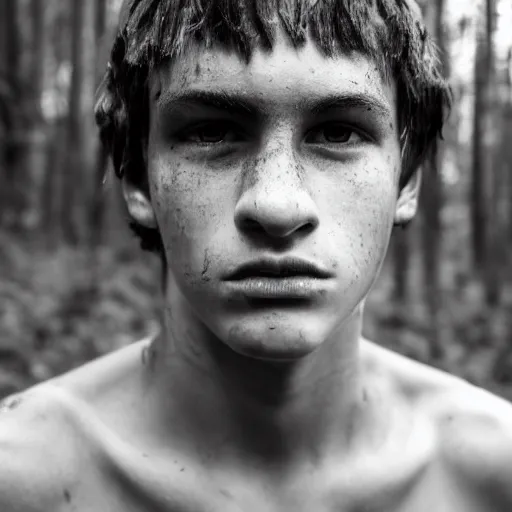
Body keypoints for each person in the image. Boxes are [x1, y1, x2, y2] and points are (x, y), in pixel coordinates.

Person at [2, 0, 512, 510]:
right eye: (211, 132)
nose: (276, 204)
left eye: (338, 133)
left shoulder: (491, 472)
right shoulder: (21, 478)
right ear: (137, 175)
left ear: (405, 178)